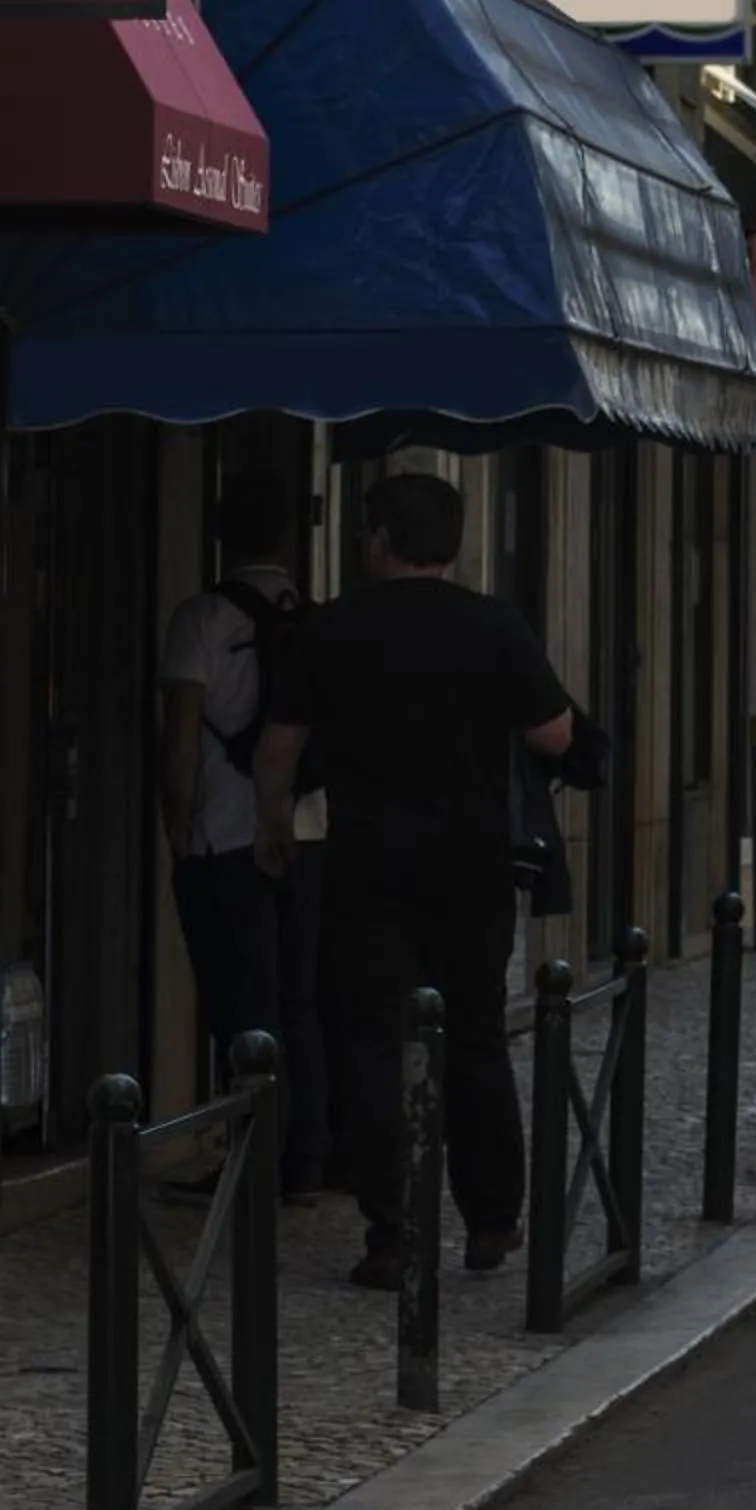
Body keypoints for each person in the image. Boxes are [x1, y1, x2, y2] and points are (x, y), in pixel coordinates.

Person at [251, 472, 576, 1291]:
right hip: (472, 868)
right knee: (474, 1038)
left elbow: (280, 746)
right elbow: (554, 732)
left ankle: (392, 1233)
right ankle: (493, 1220)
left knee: (373, 1045)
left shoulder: (333, 630)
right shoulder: (493, 625)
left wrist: (273, 824)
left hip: (368, 868)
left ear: (380, 540)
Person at [158, 474, 329, 1203]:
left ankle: (252, 1158)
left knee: (240, 1003)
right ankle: (307, 1158)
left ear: (221, 536)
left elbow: (180, 745)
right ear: (291, 540)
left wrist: (178, 834)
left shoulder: (200, 618)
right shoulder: (317, 618)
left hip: (225, 839)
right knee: (299, 999)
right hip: (310, 831)